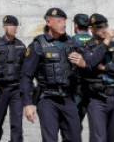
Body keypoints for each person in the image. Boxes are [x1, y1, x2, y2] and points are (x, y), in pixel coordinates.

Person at [20, 8, 81, 142]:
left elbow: (82, 68)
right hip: (47, 99)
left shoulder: (71, 43)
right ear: (49, 22)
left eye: (64, 21)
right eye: (59, 21)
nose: (63, 24)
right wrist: (27, 104)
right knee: (50, 139)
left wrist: (82, 62)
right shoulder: (38, 45)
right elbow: (26, 76)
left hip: (68, 98)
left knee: (75, 138)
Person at [71, 13, 114, 142]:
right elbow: (91, 63)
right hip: (97, 99)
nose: (104, 29)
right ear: (91, 29)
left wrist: (106, 68)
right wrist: (106, 42)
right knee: (99, 139)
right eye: (100, 27)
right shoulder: (85, 47)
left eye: (106, 26)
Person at [71, 13, 93, 128]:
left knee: (73, 119)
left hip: (76, 84)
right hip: (92, 84)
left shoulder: (71, 41)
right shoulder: (95, 40)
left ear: (76, 26)